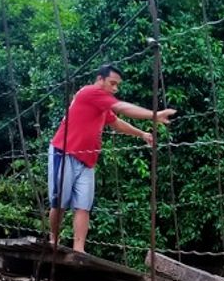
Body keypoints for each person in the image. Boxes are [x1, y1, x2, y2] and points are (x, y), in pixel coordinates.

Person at [49, 64, 176, 251]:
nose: (115, 88)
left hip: (88, 160)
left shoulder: (100, 104)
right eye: (112, 83)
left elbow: (116, 122)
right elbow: (121, 107)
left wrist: (141, 134)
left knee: (83, 206)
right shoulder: (90, 92)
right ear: (100, 79)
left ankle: (79, 249)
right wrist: (154, 115)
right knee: (60, 202)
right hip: (65, 152)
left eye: (117, 85)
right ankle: (53, 239)